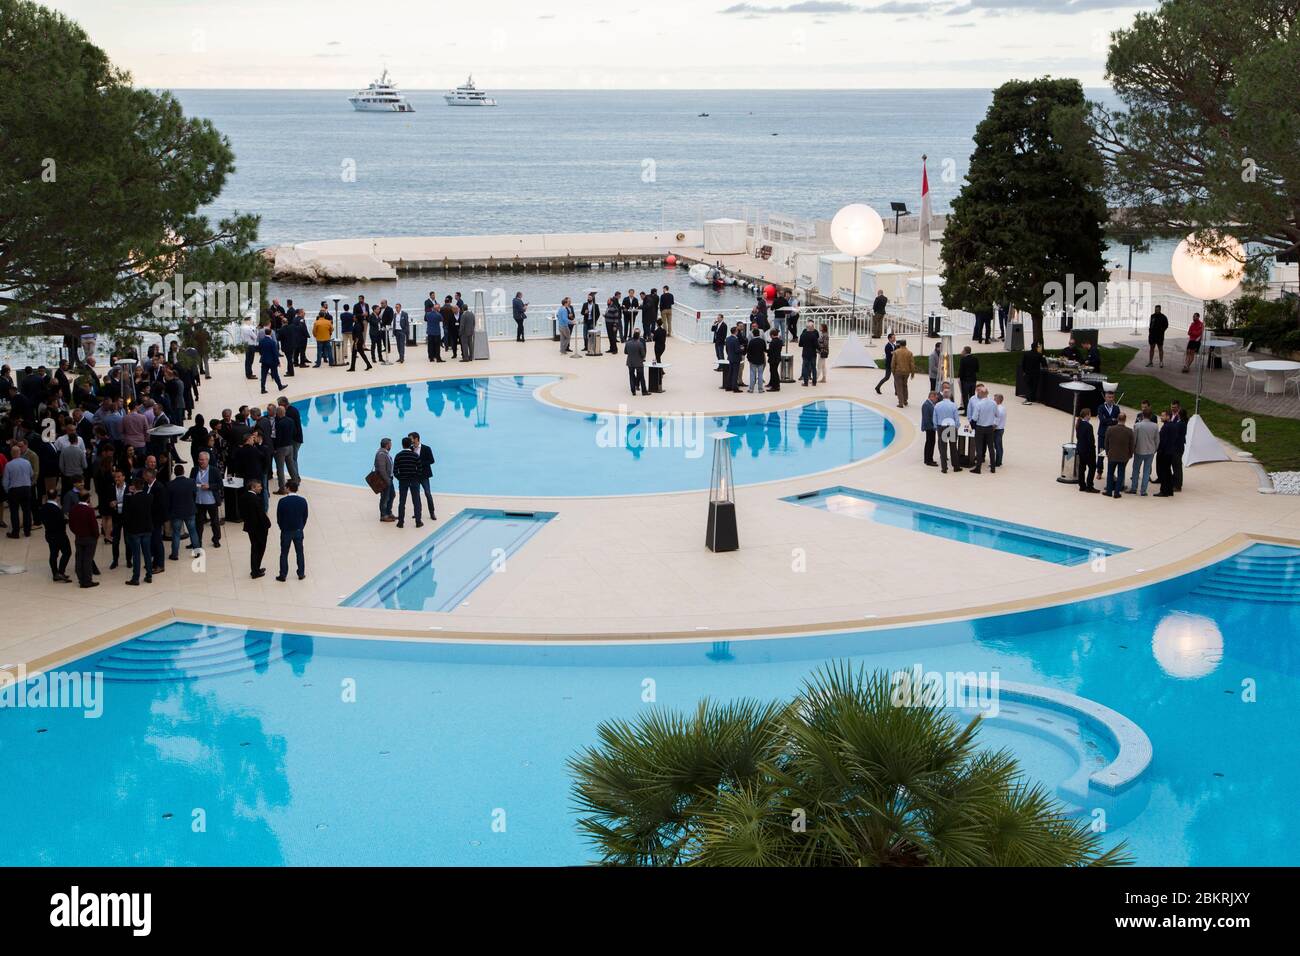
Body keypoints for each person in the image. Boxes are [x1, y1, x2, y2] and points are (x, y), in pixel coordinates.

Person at [122, 477, 154, 585]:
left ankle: (135, 578)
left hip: (134, 530)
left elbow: (126, 516)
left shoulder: (130, 499)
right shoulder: (150, 497)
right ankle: (149, 575)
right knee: (147, 553)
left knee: (136, 555)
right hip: (147, 529)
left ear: (133, 486)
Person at [275, 479, 308, 581]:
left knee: (284, 553)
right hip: (298, 530)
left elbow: (279, 517)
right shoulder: (303, 501)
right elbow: (305, 516)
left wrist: (282, 527)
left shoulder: (282, 501)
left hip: (286, 531)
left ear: (288, 488)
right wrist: (301, 527)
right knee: (300, 552)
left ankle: (283, 575)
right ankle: (301, 573)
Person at [166, 463, 199, 560]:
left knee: (176, 533)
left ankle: (175, 554)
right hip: (190, 510)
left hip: (176, 513)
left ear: (174, 473)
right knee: (193, 531)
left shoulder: (170, 485)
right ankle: (197, 552)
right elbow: (194, 494)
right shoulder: (191, 482)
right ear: (183, 471)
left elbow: (169, 501)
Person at [69, 486, 99, 588]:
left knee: (79, 558)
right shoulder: (89, 510)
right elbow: (94, 525)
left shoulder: (73, 509)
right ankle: (87, 581)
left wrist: (77, 532)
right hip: (90, 538)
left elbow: (71, 525)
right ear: (88, 498)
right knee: (88, 560)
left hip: (79, 537)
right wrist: (96, 536)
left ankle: (81, 579)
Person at [191, 451, 223, 549]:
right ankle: (198, 542)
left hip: (211, 501)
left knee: (215, 522)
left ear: (207, 460)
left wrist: (210, 486)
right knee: (198, 523)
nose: (201, 461)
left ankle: (216, 539)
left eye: (203, 460)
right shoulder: (194, 470)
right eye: (200, 459)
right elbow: (191, 482)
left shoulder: (214, 470)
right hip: (198, 501)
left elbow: (220, 485)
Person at [3, 443, 33, 537]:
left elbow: (5, 481)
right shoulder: (27, 462)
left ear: (11, 454)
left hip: (14, 490)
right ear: (19, 453)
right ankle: (27, 532)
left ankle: (15, 532)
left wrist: (7, 491)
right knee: (27, 510)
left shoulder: (8, 465)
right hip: (26, 488)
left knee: (14, 511)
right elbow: (31, 474)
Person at [393, 437, 423, 529]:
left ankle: (400, 522)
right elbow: (420, 470)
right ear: (410, 444)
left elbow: (395, 471)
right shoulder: (415, 456)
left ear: (402, 445)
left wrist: (400, 478)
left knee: (402, 502)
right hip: (414, 481)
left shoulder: (398, 456)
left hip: (403, 481)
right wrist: (416, 478)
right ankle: (418, 522)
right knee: (416, 501)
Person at [967, 385, 998, 474]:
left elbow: (975, 418)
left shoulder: (979, 404)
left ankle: (978, 468)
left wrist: (972, 426)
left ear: (981, 393)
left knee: (979, 448)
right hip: (989, 427)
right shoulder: (993, 403)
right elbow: (997, 414)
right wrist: (994, 423)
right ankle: (993, 468)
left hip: (980, 427)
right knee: (991, 448)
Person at [242, 478, 270, 577]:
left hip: (250, 527)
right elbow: (261, 515)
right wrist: (268, 524)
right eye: (259, 486)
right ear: (253, 487)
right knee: (259, 549)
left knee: (254, 548)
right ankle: (255, 571)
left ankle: (256, 569)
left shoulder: (244, 496)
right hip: (258, 529)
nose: (261, 488)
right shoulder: (256, 499)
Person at [1103, 412, 1135, 498]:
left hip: (1112, 455)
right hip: (1123, 456)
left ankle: (1109, 491)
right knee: (1121, 474)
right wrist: (1130, 454)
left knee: (1110, 474)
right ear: (1125, 420)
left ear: (1117, 419)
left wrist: (1107, 452)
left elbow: (1106, 443)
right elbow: (1131, 445)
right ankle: (1117, 492)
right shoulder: (1129, 431)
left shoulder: (1110, 429)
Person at [40, 496, 72, 582]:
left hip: (49, 534)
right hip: (60, 535)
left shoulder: (43, 507)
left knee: (53, 554)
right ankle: (61, 572)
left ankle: (55, 573)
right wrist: (66, 519)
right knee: (67, 552)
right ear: (57, 497)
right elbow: (61, 521)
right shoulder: (57, 509)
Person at [410, 432, 437, 520]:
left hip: (424, 475)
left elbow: (432, 460)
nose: (410, 441)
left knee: (428, 493)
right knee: (416, 495)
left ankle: (432, 512)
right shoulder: (410, 449)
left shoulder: (426, 448)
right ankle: (417, 512)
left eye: (411, 439)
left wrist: (420, 463)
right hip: (414, 475)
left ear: (416, 438)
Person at [933, 390, 960, 473]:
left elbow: (934, 418)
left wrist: (936, 427)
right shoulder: (953, 405)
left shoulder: (937, 405)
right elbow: (956, 418)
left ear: (943, 396)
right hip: (951, 427)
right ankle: (955, 467)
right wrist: (956, 427)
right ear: (950, 395)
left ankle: (944, 468)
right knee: (953, 447)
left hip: (942, 427)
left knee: (943, 448)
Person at [1154, 411, 1179, 497]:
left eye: (1163, 416)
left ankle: (1164, 491)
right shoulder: (1174, 426)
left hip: (1164, 452)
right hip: (1171, 451)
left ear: (1168, 417)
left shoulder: (1166, 427)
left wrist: (1159, 450)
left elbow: (1163, 441)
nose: (1161, 417)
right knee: (1168, 471)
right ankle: (1169, 490)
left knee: (1163, 472)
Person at [1095, 390, 1121, 472]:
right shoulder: (1101, 407)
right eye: (1109, 397)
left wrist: (1108, 420)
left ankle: (1111, 472)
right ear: (1105, 398)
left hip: (1113, 435)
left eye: (1112, 397)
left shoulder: (1117, 408)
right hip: (1103, 435)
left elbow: (1118, 421)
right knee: (1101, 454)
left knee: (1112, 454)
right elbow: (1102, 420)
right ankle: (1099, 471)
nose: (1111, 399)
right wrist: (1112, 420)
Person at [1075, 407, 1098, 492]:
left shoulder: (1079, 424)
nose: (1090, 416)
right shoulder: (1088, 426)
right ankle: (1089, 486)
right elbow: (1091, 440)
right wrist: (1093, 448)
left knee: (1082, 467)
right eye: (1090, 414)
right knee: (1092, 467)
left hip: (1081, 449)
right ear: (1087, 415)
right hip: (1088, 451)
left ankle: (1082, 485)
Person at [375, 438, 396, 522]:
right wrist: (387, 481)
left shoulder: (385, 453)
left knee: (392, 495)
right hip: (385, 480)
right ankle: (383, 515)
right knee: (384, 497)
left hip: (388, 479)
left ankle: (388, 512)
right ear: (387, 445)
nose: (391, 445)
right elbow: (382, 470)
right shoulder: (381, 454)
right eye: (390, 444)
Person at [891, 339, 915, 408]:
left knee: (899, 387)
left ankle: (900, 403)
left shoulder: (896, 352)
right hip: (907, 372)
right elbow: (912, 364)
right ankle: (905, 400)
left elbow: (893, 363)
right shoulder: (909, 353)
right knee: (905, 386)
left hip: (898, 372)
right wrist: (912, 373)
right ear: (905, 344)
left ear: (900, 344)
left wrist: (893, 371)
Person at [258, 328, 284, 394]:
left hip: (264, 360)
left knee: (263, 375)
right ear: (270, 333)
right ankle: (280, 386)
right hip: (272, 361)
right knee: (275, 375)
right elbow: (275, 353)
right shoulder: (272, 342)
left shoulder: (261, 341)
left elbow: (260, 351)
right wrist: (278, 362)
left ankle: (262, 389)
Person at [626, 328, 649, 396]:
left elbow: (625, 352)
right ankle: (644, 391)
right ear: (639, 335)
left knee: (631, 376)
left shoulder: (628, 342)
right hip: (639, 362)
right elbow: (643, 354)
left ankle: (633, 391)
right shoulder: (640, 343)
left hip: (630, 362)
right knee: (642, 377)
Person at [798, 320, 820, 386]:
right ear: (812, 327)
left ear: (806, 327)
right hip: (813, 353)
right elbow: (817, 345)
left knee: (805, 368)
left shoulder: (803, 335)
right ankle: (814, 382)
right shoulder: (814, 335)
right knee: (813, 368)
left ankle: (806, 382)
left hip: (805, 353)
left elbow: (800, 344)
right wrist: (819, 350)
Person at [957, 346, 979, 413]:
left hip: (965, 380)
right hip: (973, 380)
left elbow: (961, 370)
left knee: (965, 396)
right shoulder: (975, 359)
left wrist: (960, 378)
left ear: (965, 351)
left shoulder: (963, 359)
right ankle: (972, 410)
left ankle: (966, 411)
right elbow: (977, 369)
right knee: (972, 396)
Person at [920, 391, 938, 467]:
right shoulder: (926, 405)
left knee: (930, 443)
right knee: (930, 443)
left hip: (931, 427)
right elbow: (927, 418)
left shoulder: (930, 404)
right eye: (936, 398)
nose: (936, 399)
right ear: (931, 397)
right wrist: (932, 427)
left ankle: (929, 459)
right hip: (929, 427)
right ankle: (928, 460)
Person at [724, 325, 743, 393]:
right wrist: (742, 349)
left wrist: (729, 354)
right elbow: (737, 350)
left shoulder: (728, 338)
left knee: (730, 372)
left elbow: (726, 349)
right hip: (736, 358)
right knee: (735, 373)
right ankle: (735, 388)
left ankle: (728, 386)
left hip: (730, 357)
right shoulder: (736, 339)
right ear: (736, 332)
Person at [992, 393, 1007, 469]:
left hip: (997, 430)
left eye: (994, 399)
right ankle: (999, 461)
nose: (993, 400)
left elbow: (995, 423)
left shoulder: (998, 409)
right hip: (1001, 429)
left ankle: (997, 462)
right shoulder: (1003, 408)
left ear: (998, 400)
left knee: (997, 446)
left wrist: (991, 430)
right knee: (999, 446)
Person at [767, 329, 784, 393]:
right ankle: (773, 384)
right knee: (774, 371)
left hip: (773, 359)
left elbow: (770, 351)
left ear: (771, 335)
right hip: (777, 358)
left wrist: (765, 350)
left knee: (774, 372)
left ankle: (775, 386)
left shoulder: (773, 342)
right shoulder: (780, 341)